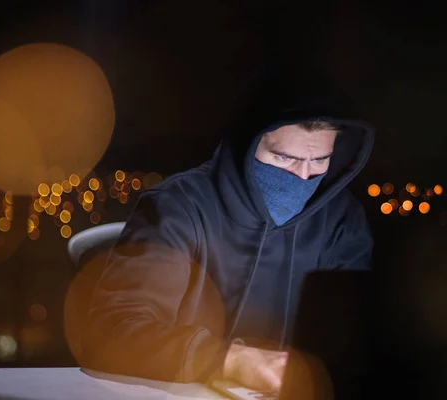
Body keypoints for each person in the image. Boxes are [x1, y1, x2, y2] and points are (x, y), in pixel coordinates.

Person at [78, 77, 375, 392]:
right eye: (284, 158)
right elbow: (111, 332)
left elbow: (356, 344)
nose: (302, 177)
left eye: (319, 161)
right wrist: (230, 360)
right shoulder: (178, 207)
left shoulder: (342, 220)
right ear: (249, 144)